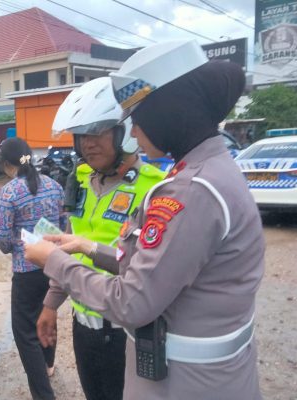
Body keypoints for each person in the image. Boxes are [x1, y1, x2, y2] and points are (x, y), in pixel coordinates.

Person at [25, 39, 264, 399]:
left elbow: (132, 301)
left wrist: (55, 262)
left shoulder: (190, 191)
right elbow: (156, 263)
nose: (134, 132)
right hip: (197, 375)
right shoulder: (210, 171)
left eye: (138, 120)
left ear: (168, 114)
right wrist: (88, 247)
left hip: (187, 384)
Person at [39, 77, 165, 400]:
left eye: (97, 132)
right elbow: (70, 244)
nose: (87, 144)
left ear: (124, 134)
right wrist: (51, 304)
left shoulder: (154, 189)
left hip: (126, 333)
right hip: (83, 328)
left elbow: (148, 268)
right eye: (81, 135)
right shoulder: (81, 180)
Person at [0, 137, 65, 400]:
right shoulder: (55, 186)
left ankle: (44, 395)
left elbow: (1, 238)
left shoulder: (10, 192)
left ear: (6, 163)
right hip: (54, 267)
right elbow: (65, 224)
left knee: (26, 333)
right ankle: (49, 365)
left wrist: (16, 243)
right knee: (48, 313)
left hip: (25, 272)